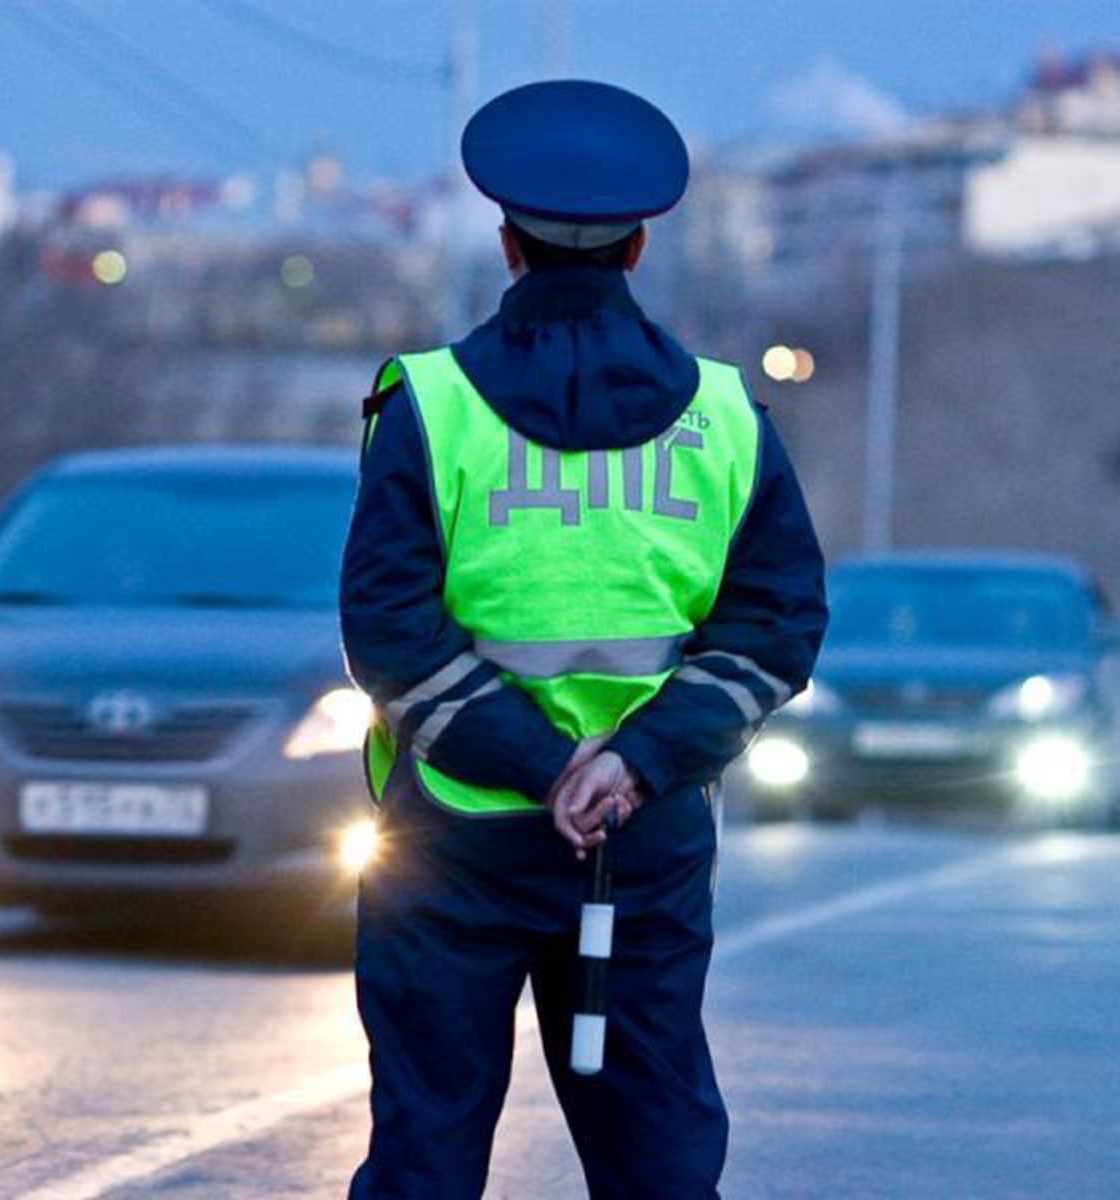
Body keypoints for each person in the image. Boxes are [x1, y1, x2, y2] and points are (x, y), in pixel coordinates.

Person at [341, 80, 829, 1198]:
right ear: (640, 246)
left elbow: (389, 630)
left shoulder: (428, 404)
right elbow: (775, 625)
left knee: (425, 1153)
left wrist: (536, 764)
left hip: (448, 850)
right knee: (656, 1160)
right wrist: (627, 765)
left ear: (505, 241)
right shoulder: (725, 417)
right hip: (641, 848)